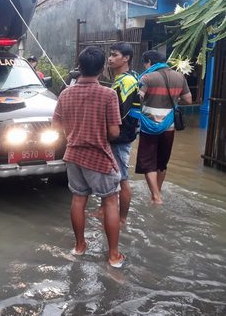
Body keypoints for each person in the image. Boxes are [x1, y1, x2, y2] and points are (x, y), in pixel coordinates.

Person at [52, 46, 125, 268]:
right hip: (99, 156)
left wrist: (73, 133)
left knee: (78, 199)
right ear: (102, 69)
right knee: (111, 201)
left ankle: (79, 247)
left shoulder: (65, 93)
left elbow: (55, 127)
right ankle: (113, 256)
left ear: (79, 67)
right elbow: (114, 133)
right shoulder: (108, 94)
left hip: (73, 155)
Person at [135, 50, 192, 204]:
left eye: (145, 63)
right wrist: (173, 99)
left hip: (149, 126)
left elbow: (137, 97)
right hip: (169, 127)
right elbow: (188, 100)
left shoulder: (146, 77)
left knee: (148, 162)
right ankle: (158, 192)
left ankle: (155, 196)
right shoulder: (179, 77)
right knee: (162, 162)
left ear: (148, 62)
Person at [106, 42, 140, 225]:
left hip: (121, 137)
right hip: (119, 135)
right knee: (113, 176)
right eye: (110, 55)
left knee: (123, 178)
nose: (110, 58)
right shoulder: (123, 78)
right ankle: (105, 210)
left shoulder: (127, 81)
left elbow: (120, 112)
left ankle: (122, 219)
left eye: (114, 55)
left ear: (126, 58)